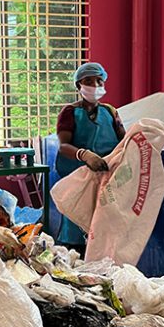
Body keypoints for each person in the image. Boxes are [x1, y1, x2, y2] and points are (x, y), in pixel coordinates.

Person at [53, 62, 126, 249]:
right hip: (80, 179)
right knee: (77, 228)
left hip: (106, 177)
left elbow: (123, 141)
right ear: (79, 86)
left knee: (104, 230)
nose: (94, 86)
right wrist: (85, 155)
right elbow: (64, 146)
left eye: (99, 81)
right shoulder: (70, 112)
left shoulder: (110, 112)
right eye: (88, 81)